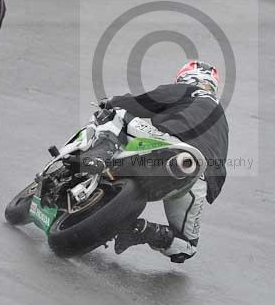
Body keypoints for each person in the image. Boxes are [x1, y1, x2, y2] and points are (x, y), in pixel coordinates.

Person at [69, 60, 229, 263]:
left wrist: (111, 101)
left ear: (186, 78)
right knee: (186, 247)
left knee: (115, 113)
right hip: (197, 178)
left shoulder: (188, 91)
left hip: (171, 147)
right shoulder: (222, 120)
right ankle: (142, 230)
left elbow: (141, 102)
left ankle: (95, 156)